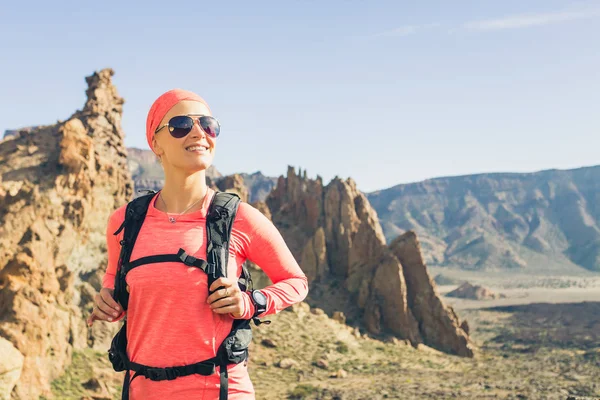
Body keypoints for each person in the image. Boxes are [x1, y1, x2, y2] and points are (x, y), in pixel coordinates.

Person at [86, 88, 309, 399]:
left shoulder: (239, 218)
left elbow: (295, 282)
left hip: (219, 390)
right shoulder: (125, 220)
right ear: (156, 143)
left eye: (208, 125)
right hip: (142, 390)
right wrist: (108, 303)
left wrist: (250, 302)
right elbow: (115, 282)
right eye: (180, 125)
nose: (198, 132)